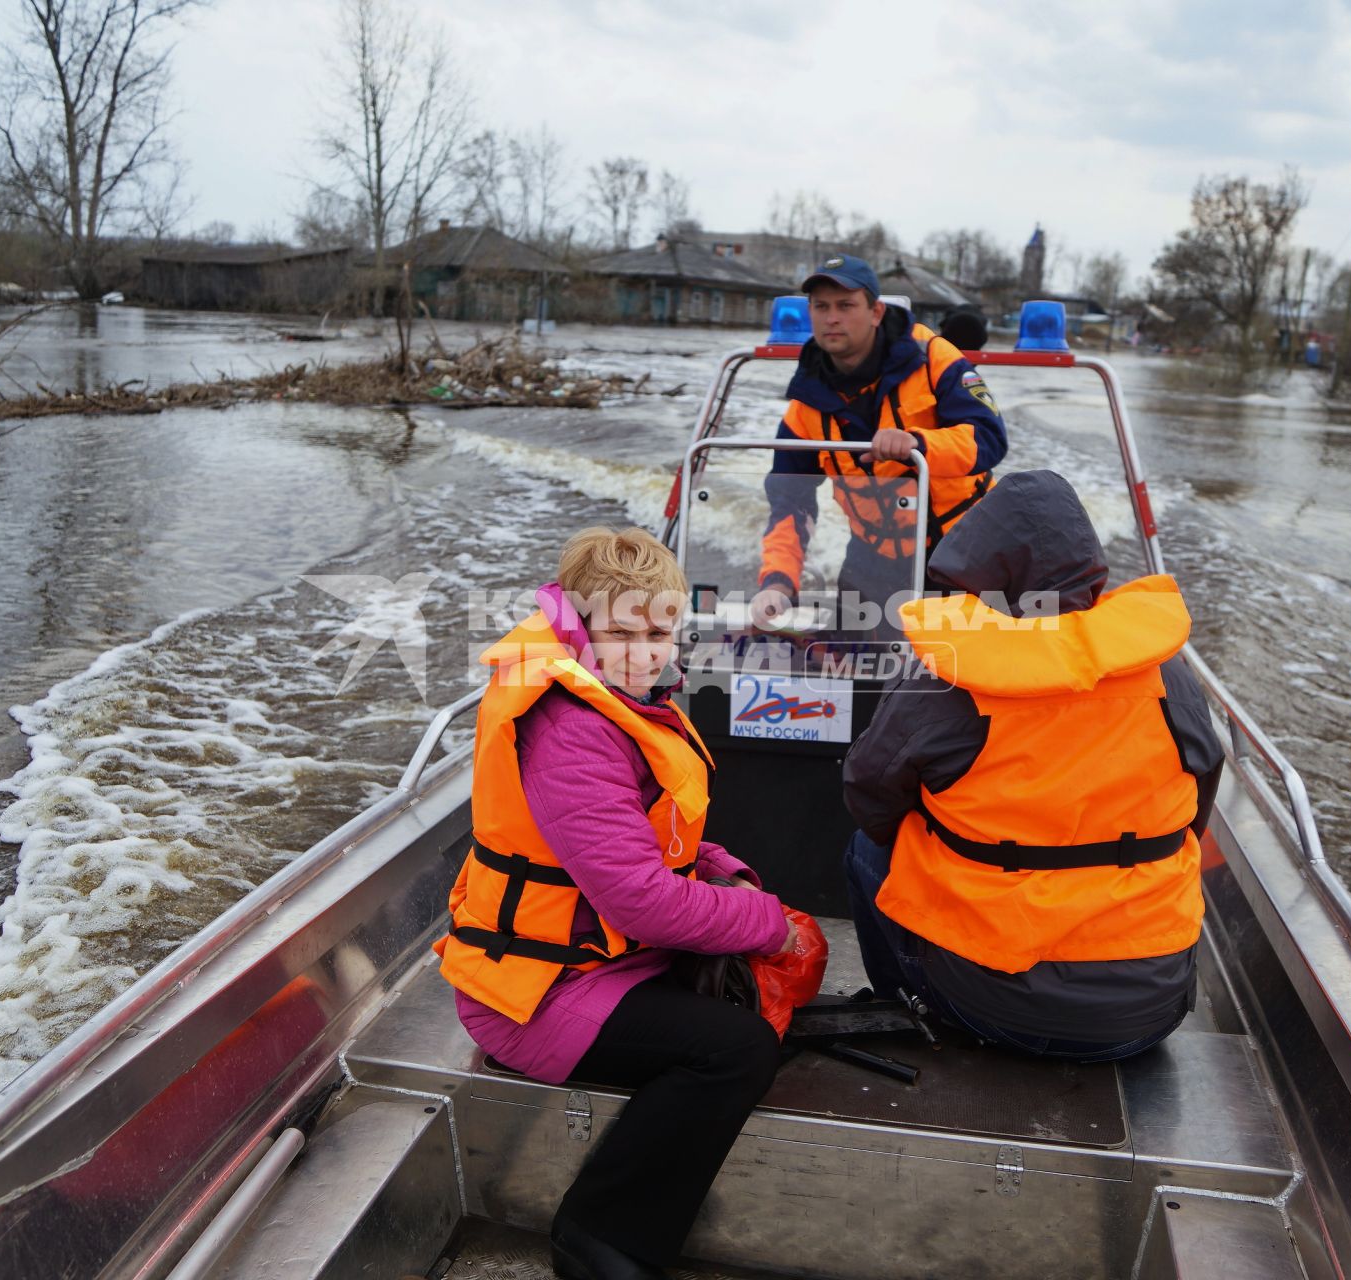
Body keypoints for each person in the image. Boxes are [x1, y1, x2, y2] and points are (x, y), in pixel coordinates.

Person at [437, 526, 793, 1280]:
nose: (647, 651)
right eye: (623, 632)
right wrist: (770, 925)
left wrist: (725, 869)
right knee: (736, 1051)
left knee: (745, 1015)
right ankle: (602, 1241)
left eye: (661, 630)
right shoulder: (571, 727)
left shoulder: (623, 697)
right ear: (579, 623)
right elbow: (640, 902)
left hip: (596, 962)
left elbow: (651, 831)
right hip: (534, 994)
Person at [840, 471, 1225, 1062]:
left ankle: (904, 1005)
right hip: (1150, 1013)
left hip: (991, 1007)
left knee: (868, 850)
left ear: (981, 569)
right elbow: (1201, 792)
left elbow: (869, 791)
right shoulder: (1166, 672)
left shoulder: (949, 675)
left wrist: (953, 839)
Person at [750, 255, 1007, 629]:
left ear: (875, 312)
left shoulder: (935, 358)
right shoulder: (804, 405)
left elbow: (989, 438)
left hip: (963, 553)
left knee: (955, 676)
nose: (832, 317)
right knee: (847, 668)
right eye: (821, 307)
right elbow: (790, 502)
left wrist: (918, 443)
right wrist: (777, 581)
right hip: (873, 555)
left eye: (845, 305)